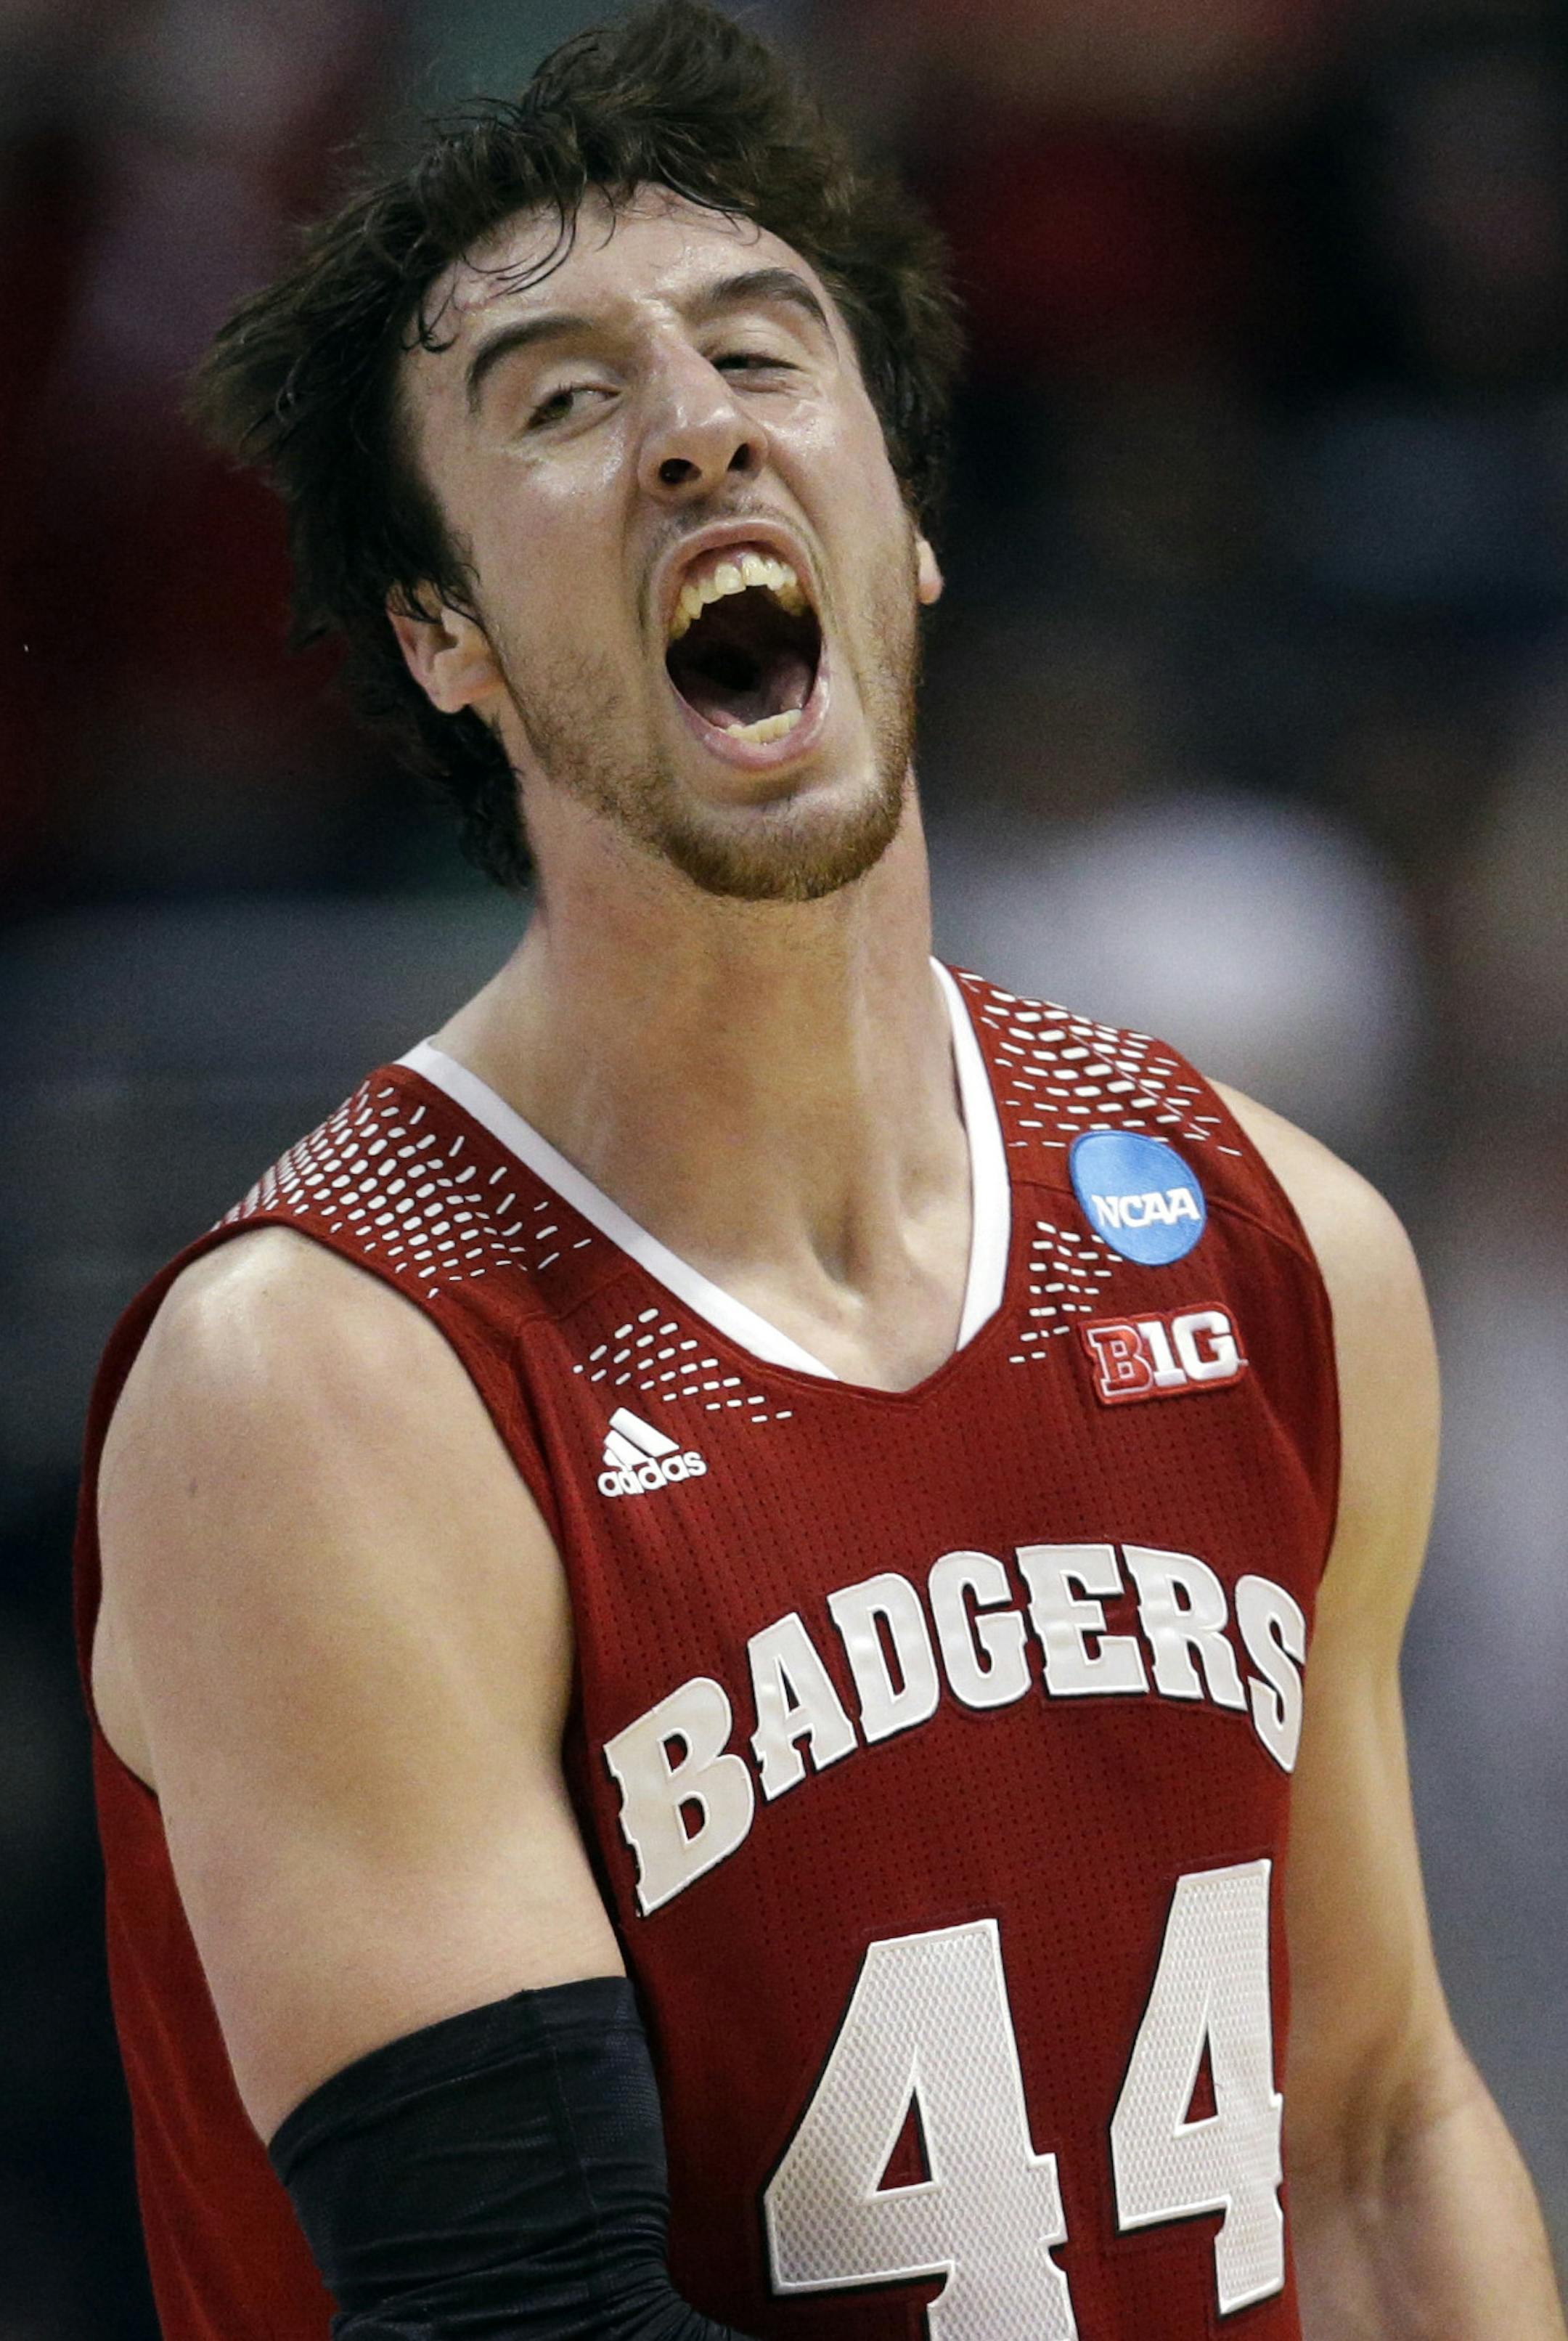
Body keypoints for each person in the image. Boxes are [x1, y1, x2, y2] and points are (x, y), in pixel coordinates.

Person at [77, 5, 1565, 2337]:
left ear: (909, 524)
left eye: (768, 360)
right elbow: (527, 2313)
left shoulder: (1281, 1240)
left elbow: (1372, 2135)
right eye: (566, 405)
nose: (696, 430)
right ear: (441, 636)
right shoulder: (328, 1378)